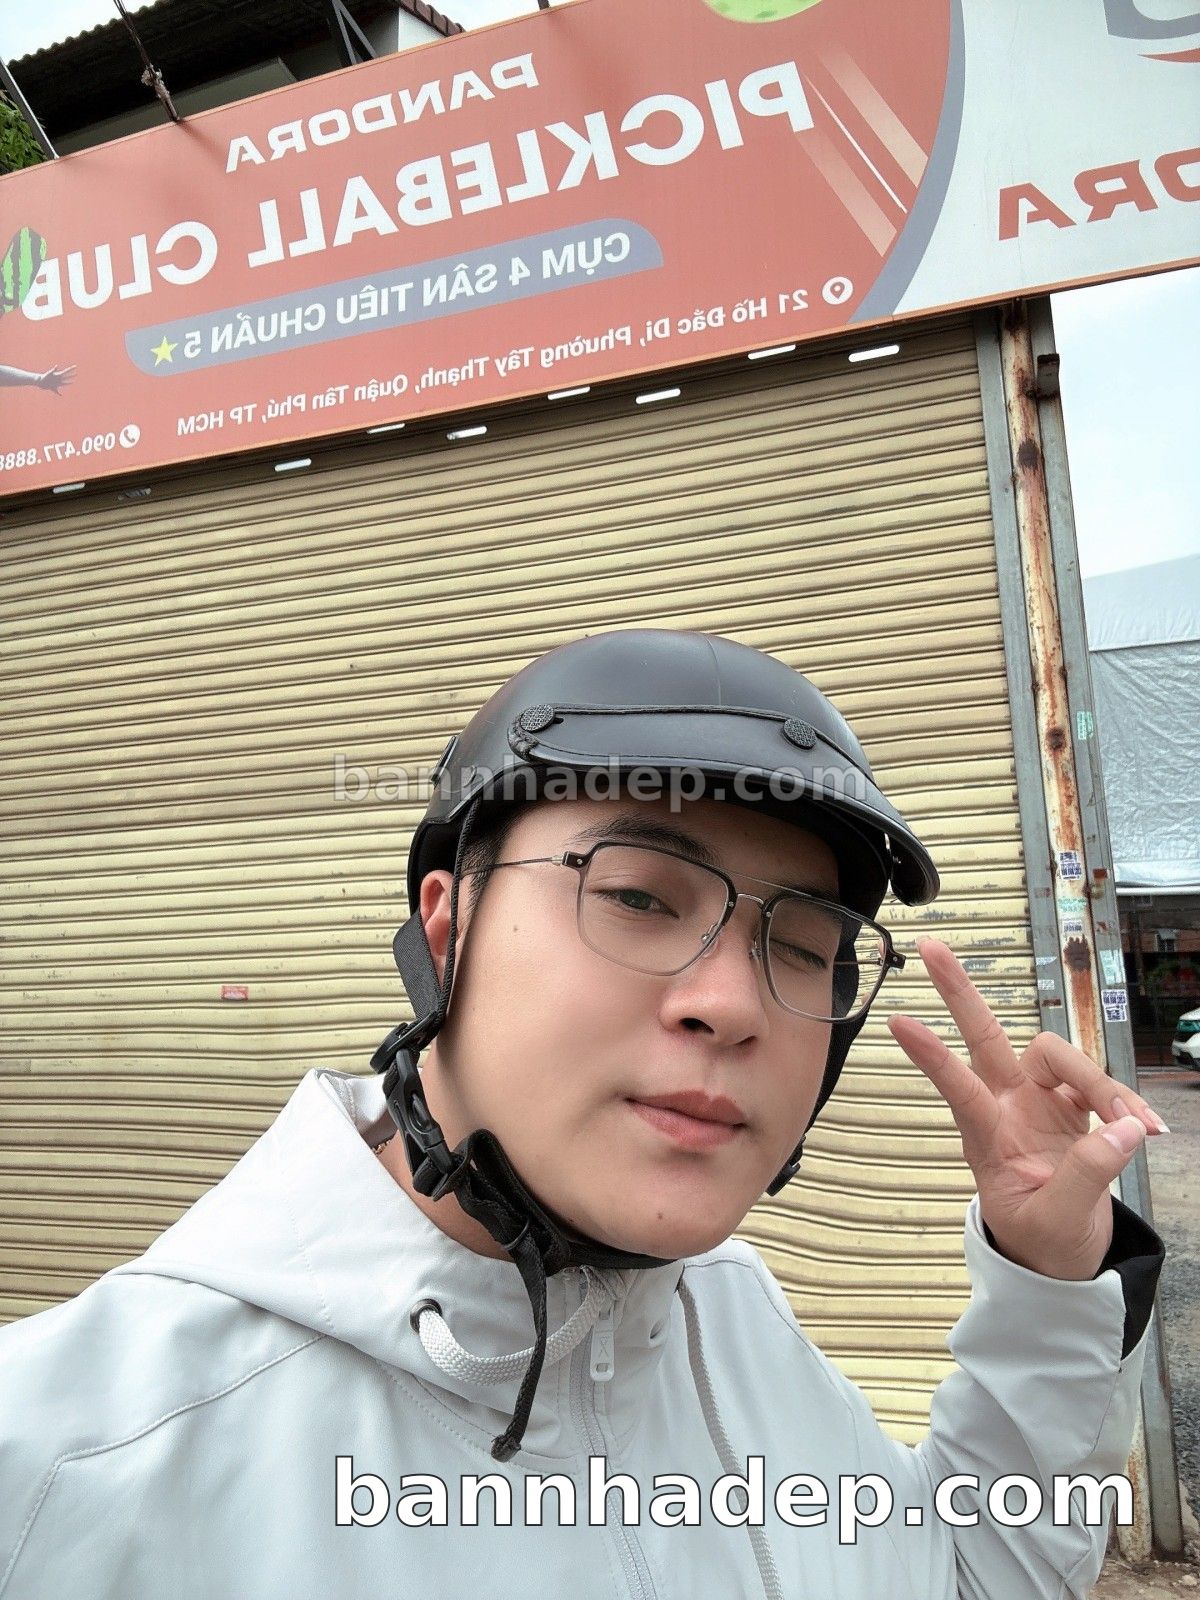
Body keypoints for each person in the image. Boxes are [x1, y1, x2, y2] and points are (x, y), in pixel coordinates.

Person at [0, 628, 1166, 1599]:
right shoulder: (73, 1462)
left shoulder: (726, 1321)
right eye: (639, 896)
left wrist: (1046, 1276)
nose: (730, 1004)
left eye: (804, 943)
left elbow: (968, 1573)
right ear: (448, 929)